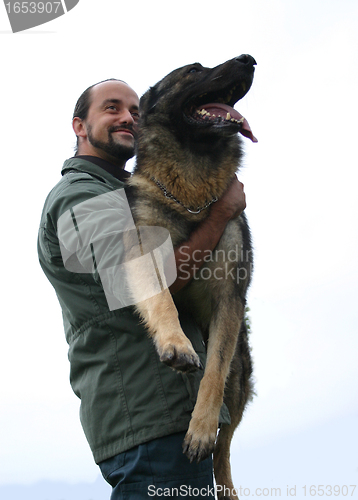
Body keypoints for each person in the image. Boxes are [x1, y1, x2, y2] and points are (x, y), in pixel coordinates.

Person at [37, 79, 247, 499]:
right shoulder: (79, 196)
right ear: (79, 126)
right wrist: (221, 214)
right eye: (111, 108)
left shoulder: (134, 192)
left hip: (175, 417)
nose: (127, 118)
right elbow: (154, 280)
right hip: (147, 414)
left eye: (135, 110)